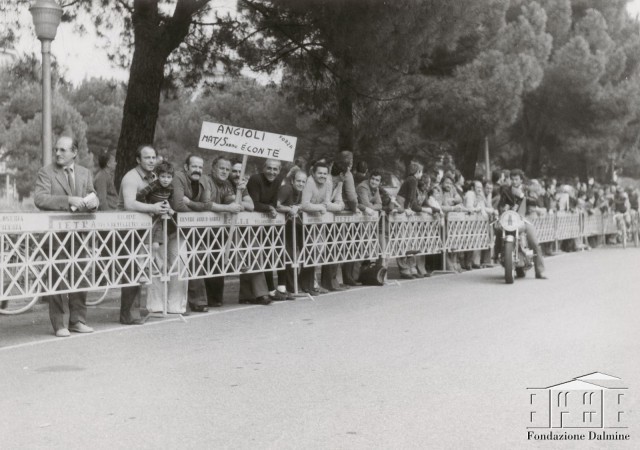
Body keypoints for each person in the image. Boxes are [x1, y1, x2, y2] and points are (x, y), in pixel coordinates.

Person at [34, 135, 99, 337]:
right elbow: (40, 199)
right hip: (55, 236)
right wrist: (68, 200)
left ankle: (77, 320)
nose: (57, 153)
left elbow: (92, 193)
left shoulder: (84, 172)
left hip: (79, 235)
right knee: (58, 280)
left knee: (80, 277)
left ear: (74, 152)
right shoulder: (46, 172)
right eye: (56, 149)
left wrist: (94, 203)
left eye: (63, 150)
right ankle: (59, 324)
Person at [118, 144, 171, 325]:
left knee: (144, 268)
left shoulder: (154, 177)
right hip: (127, 228)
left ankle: (143, 309)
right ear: (138, 160)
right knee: (132, 268)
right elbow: (129, 204)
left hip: (147, 228)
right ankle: (129, 315)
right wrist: (153, 208)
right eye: (147, 157)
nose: (151, 161)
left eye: (153, 157)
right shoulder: (131, 177)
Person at [201, 156, 253, 307]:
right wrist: (228, 207)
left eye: (227, 169)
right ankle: (202, 300)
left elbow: (234, 201)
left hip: (217, 230)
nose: (224, 172)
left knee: (217, 261)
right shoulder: (206, 180)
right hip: (200, 228)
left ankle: (216, 299)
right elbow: (206, 203)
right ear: (213, 168)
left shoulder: (227, 185)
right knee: (203, 262)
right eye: (221, 168)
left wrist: (238, 199)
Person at [245, 158, 294, 302]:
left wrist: (275, 207)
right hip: (254, 222)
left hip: (271, 222)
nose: (272, 172)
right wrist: (269, 208)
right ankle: (270, 290)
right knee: (263, 255)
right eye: (269, 168)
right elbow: (254, 203)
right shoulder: (255, 179)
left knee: (279, 251)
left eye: (275, 169)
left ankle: (281, 289)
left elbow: (277, 202)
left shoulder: (279, 181)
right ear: (264, 168)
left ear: (279, 171)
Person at [301, 160, 344, 292]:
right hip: (302, 221)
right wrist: (320, 207)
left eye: (325, 174)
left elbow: (327, 203)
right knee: (307, 251)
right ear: (313, 173)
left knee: (317, 250)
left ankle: (313, 284)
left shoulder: (328, 183)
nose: (322, 176)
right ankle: (307, 284)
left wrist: (336, 206)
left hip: (317, 220)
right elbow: (305, 204)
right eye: (320, 173)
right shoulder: (309, 182)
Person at [498, 169, 546, 279]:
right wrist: (502, 209)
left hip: (524, 219)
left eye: (516, 179)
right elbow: (501, 204)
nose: (514, 182)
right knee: (499, 232)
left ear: (521, 180)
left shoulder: (526, 190)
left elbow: (535, 201)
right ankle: (499, 256)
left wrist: (522, 195)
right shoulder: (506, 190)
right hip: (509, 219)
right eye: (512, 179)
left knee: (534, 242)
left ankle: (539, 271)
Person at [277, 170, 313, 293]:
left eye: (303, 181)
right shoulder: (286, 189)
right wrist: (289, 209)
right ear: (292, 181)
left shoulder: (302, 192)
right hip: (284, 225)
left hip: (296, 225)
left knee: (306, 252)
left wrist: (298, 207)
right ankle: (290, 287)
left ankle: (301, 284)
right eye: (298, 181)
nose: (301, 184)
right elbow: (276, 205)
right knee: (289, 255)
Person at [136, 160, 175, 270]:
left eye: (169, 177)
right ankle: (140, 265)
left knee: (156, 246)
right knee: (146, 244)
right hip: (149, 218)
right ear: (157, 176)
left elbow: (170, 199)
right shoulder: (154, 185)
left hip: (159, 220)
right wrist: (148, 207)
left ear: (172, 178)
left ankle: (148, 264)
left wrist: (170, 208)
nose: (166, 180)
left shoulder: (171, 188)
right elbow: (140, 195)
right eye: (163, 176)